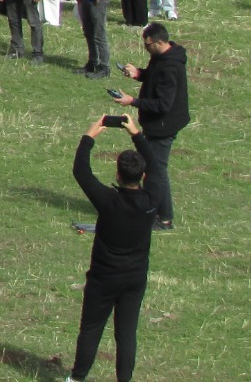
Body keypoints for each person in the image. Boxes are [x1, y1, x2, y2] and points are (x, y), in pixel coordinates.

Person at [67, 112, 156, 382]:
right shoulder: (151, 200)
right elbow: (157, 166)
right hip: (134, 278)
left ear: (117, 173)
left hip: (103, 279)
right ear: (142, 176)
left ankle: (77, 378)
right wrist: (136, 133)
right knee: (126, 334)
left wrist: (88, 137)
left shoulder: (108, 201)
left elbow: (81, 171)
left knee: (91, 329)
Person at [112, 23, 189, 231]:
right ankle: (155, 212)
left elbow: (163, 104)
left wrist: (133, 101)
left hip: (163, 126)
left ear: (160, 42)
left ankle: (164, 218)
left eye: (148, 46)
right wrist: (138, 73)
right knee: (154, 169)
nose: (146, 49)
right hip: (157, 123)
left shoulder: (171, 67)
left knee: (157, 172)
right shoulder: (161, 57)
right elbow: (154, 77)